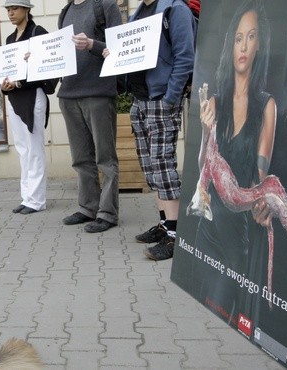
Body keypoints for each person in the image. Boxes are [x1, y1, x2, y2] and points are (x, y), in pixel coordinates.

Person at [195, 0, 275, 313]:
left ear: (259, 44)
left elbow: (261, 178)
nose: (243, 45)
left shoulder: (266, 106)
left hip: (238, 236)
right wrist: (204, 133)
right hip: (209, 230)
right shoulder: (214, 103)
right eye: (239, 37)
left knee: (223, 308)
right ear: (231, 45)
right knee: (206, 305)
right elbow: (204, 169)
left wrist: (265, 202)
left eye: (251, 37)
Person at [113, 0, 195, 259]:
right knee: (150, 166)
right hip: (140, 100)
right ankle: (165, 223)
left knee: (163, 164)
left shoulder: (175, 9)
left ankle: (175, 234)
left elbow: (185, 57)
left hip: (161, 99)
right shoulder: (140, 12)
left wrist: (171, 97)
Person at [57, 0, 122, 233]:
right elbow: (59, 53)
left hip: (98, 93)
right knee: (80, 158)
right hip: (68, 94)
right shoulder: (65, 11)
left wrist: (93, 44)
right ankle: (87, 208)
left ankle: (107, 213)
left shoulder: (105, 6)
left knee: (105, 157)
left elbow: (119, 47)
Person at [0, 0, 49, 215]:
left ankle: (37, 200)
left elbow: (45, 69)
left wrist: (20, 81)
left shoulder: (38, 33)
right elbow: (8, 69)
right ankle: (27, 196)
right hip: (15, 98)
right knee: (22, 148)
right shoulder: (10, 39)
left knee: (34, 147)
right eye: (8, 9)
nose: (10, 13)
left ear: (26, 10)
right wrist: (5, 84)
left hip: (32, 96)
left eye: (15, 9)